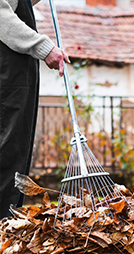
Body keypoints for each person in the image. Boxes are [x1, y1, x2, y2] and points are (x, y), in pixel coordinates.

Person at [0, 0, 70, 218]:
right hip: (7, 71)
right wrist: (43, 46)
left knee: (16, 151)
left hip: (16, 70)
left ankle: (6, 228)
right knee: (7, 153)